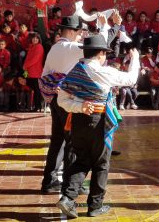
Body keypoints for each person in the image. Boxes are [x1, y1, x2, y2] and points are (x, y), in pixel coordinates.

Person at [56, 34, 140, 218]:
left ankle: (68, 199)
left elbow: (61, 100)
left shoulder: (75, 71)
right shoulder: (105, 72)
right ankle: (95, 205)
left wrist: (79, 106)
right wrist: (135, 59)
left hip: (79, 120)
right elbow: (131, 79)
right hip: (98, 121)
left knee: (82, 160)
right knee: (101, 163)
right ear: (101, 54)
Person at [39, 15, 87, 194]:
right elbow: (96, 50)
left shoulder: (55, 48)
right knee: (72, 141)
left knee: (58, 140)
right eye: (80, 32)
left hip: (54, 99)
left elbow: (45, 74)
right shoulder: (72, 47)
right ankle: (70, 184)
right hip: (68, 100)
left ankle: (49, 181)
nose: (81, 35)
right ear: (73, 31)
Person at [23, 32, 44, 112]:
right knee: (35, 90)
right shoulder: (32, 47)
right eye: (33, 38)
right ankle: (37, 106)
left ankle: (38, 106)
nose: (35, 39)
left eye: (36, 38)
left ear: (39, 39)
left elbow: (34, 59)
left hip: (36, 71)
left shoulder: (39, 47)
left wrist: (25, 65)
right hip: (30, 71)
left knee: (37, 90)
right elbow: (28, 58)